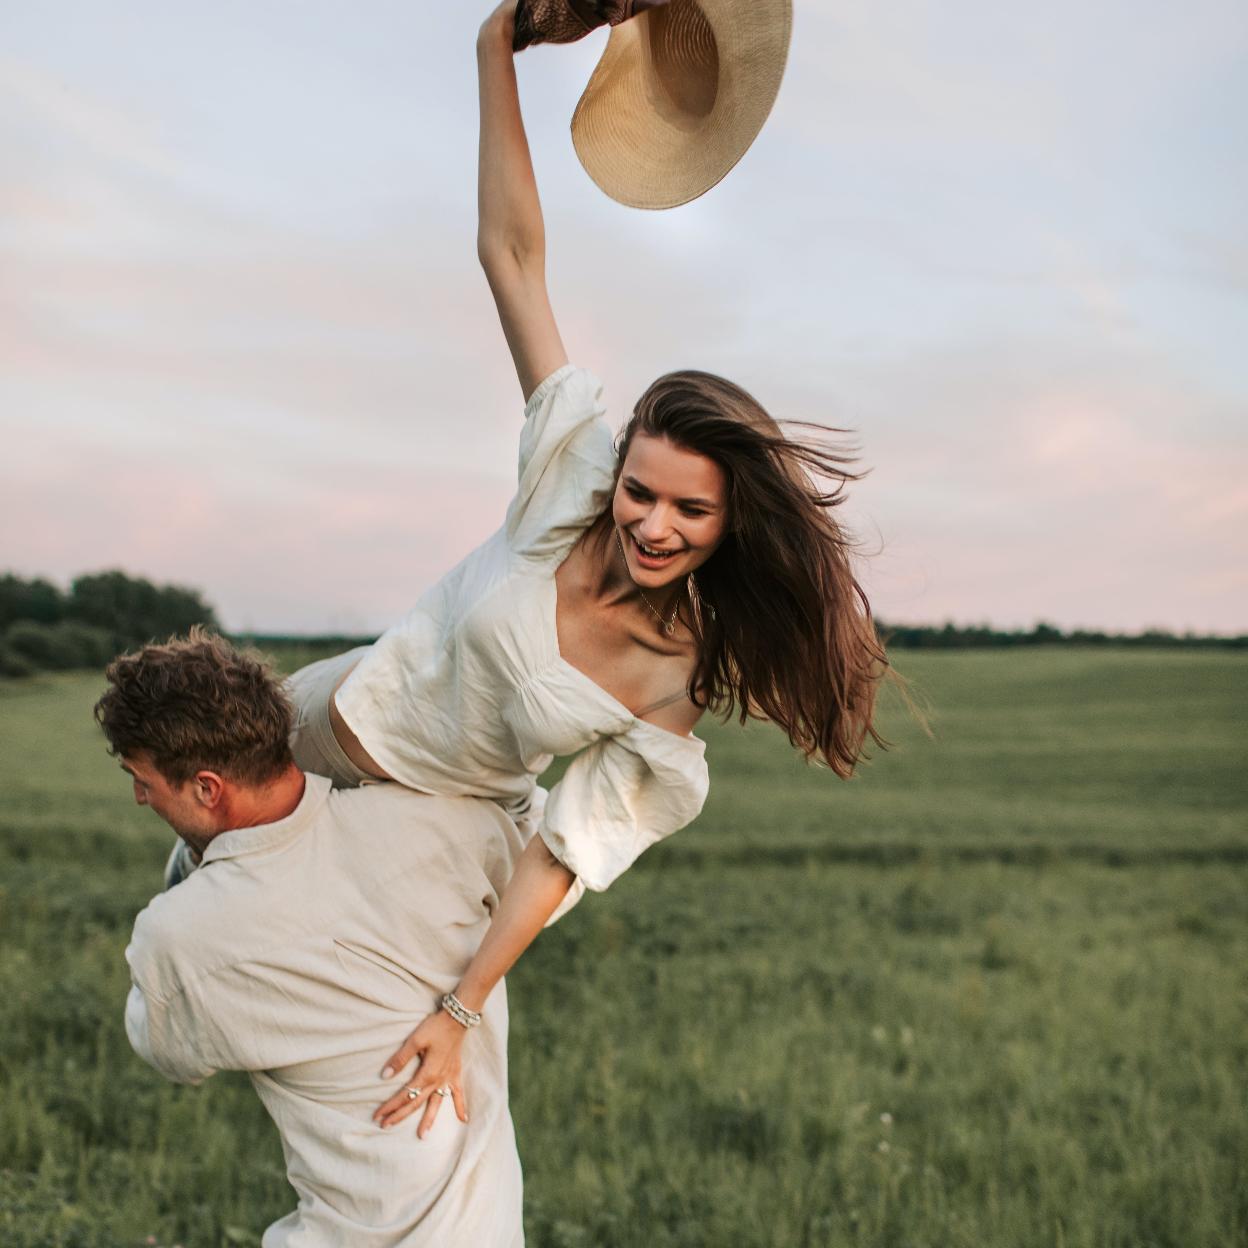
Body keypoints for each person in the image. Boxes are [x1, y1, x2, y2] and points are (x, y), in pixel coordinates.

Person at [275, 0, 892, 1136]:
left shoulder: (671, 684)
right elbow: (511, 253)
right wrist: (493, 45)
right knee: (189, 807)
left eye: (690, 511)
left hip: (435, 826)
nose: (653, 524)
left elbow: (561, 852)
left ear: (730, 521)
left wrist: (463, 1004)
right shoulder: (571, 471)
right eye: (642, 491)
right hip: (335, 705)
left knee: (353, 1065)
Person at [101, 631, 528, 1246]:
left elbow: (165, 1048)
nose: (140, 795)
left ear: (207, 788)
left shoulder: (180, 935)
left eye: (142, 779)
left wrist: (192, 874)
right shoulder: (443, 826)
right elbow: (543, 847)